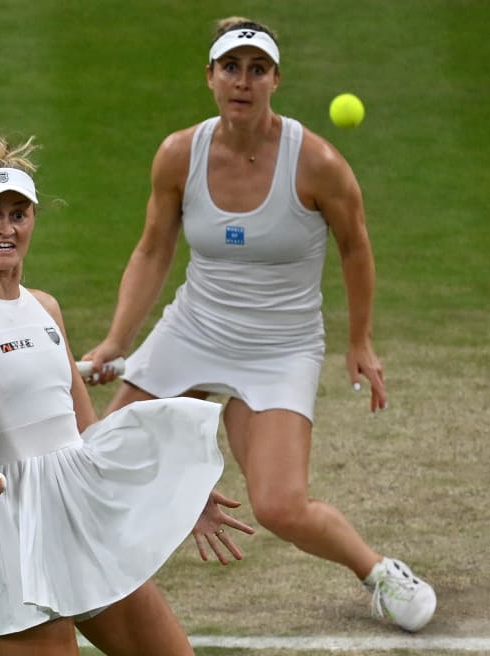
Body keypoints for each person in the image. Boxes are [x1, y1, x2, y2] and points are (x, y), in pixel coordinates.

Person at [82, 17, 436, 632]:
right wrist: (118, 341)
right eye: (231, 68)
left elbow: (355, 247)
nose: (243, 81)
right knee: (100, 456)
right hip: (194, 329)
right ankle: (94, 581)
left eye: (257, 69)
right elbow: (152, 250)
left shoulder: (318, 162)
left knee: (279, 506)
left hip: (281, 348)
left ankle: (379, 573)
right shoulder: (178, 155)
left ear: (276, 80)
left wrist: (359, 341)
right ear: (211, 78)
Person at [0, 130, 228, 655]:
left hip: (80, 514)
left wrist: (176, 495)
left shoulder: (46, 307)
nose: (6, 228)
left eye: (19, 213)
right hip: (9, 530)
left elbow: (89, 434)